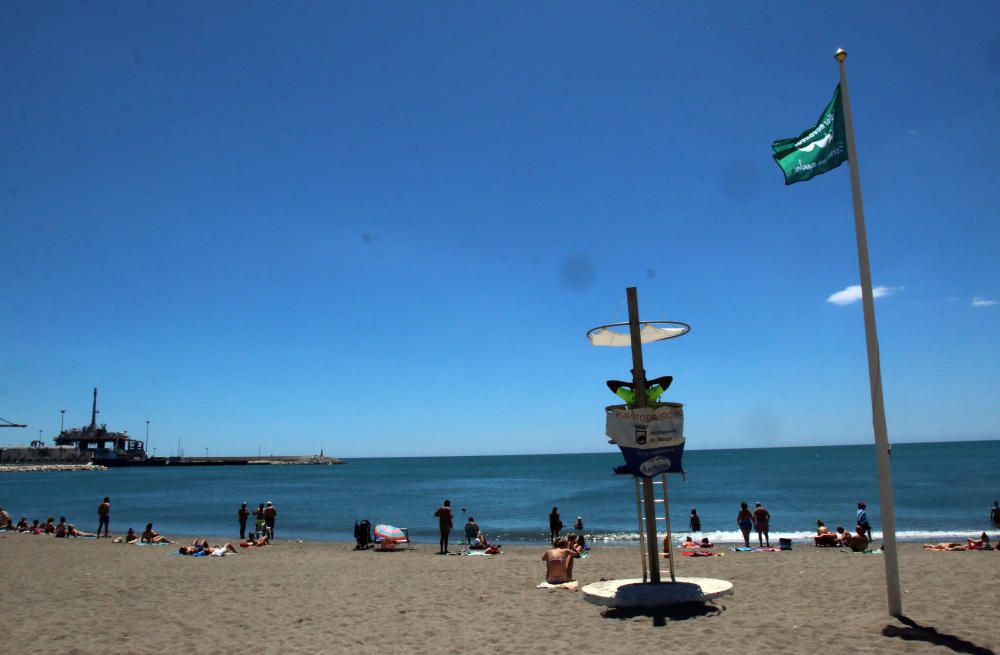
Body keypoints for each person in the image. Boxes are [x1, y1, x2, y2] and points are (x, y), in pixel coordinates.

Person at [606, 372, 673, 408]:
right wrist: (629, 385)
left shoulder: (628, 395)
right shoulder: (653, 393)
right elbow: (610, 383)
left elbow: (669, 379)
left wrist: (650, 383)